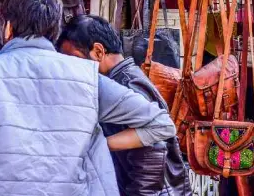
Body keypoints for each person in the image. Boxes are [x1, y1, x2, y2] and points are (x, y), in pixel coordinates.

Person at [0, 0, 176, 196]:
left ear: (8, 28)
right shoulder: (87, 77)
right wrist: (97, 144)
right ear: (54, 32)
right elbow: (161, 124)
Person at [58, 15, 190, 195]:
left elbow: (151, 160)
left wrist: (99, 145)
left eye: (74, 59)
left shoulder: (126, 86)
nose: (71, 68)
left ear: (98, 51)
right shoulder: (124, 79)